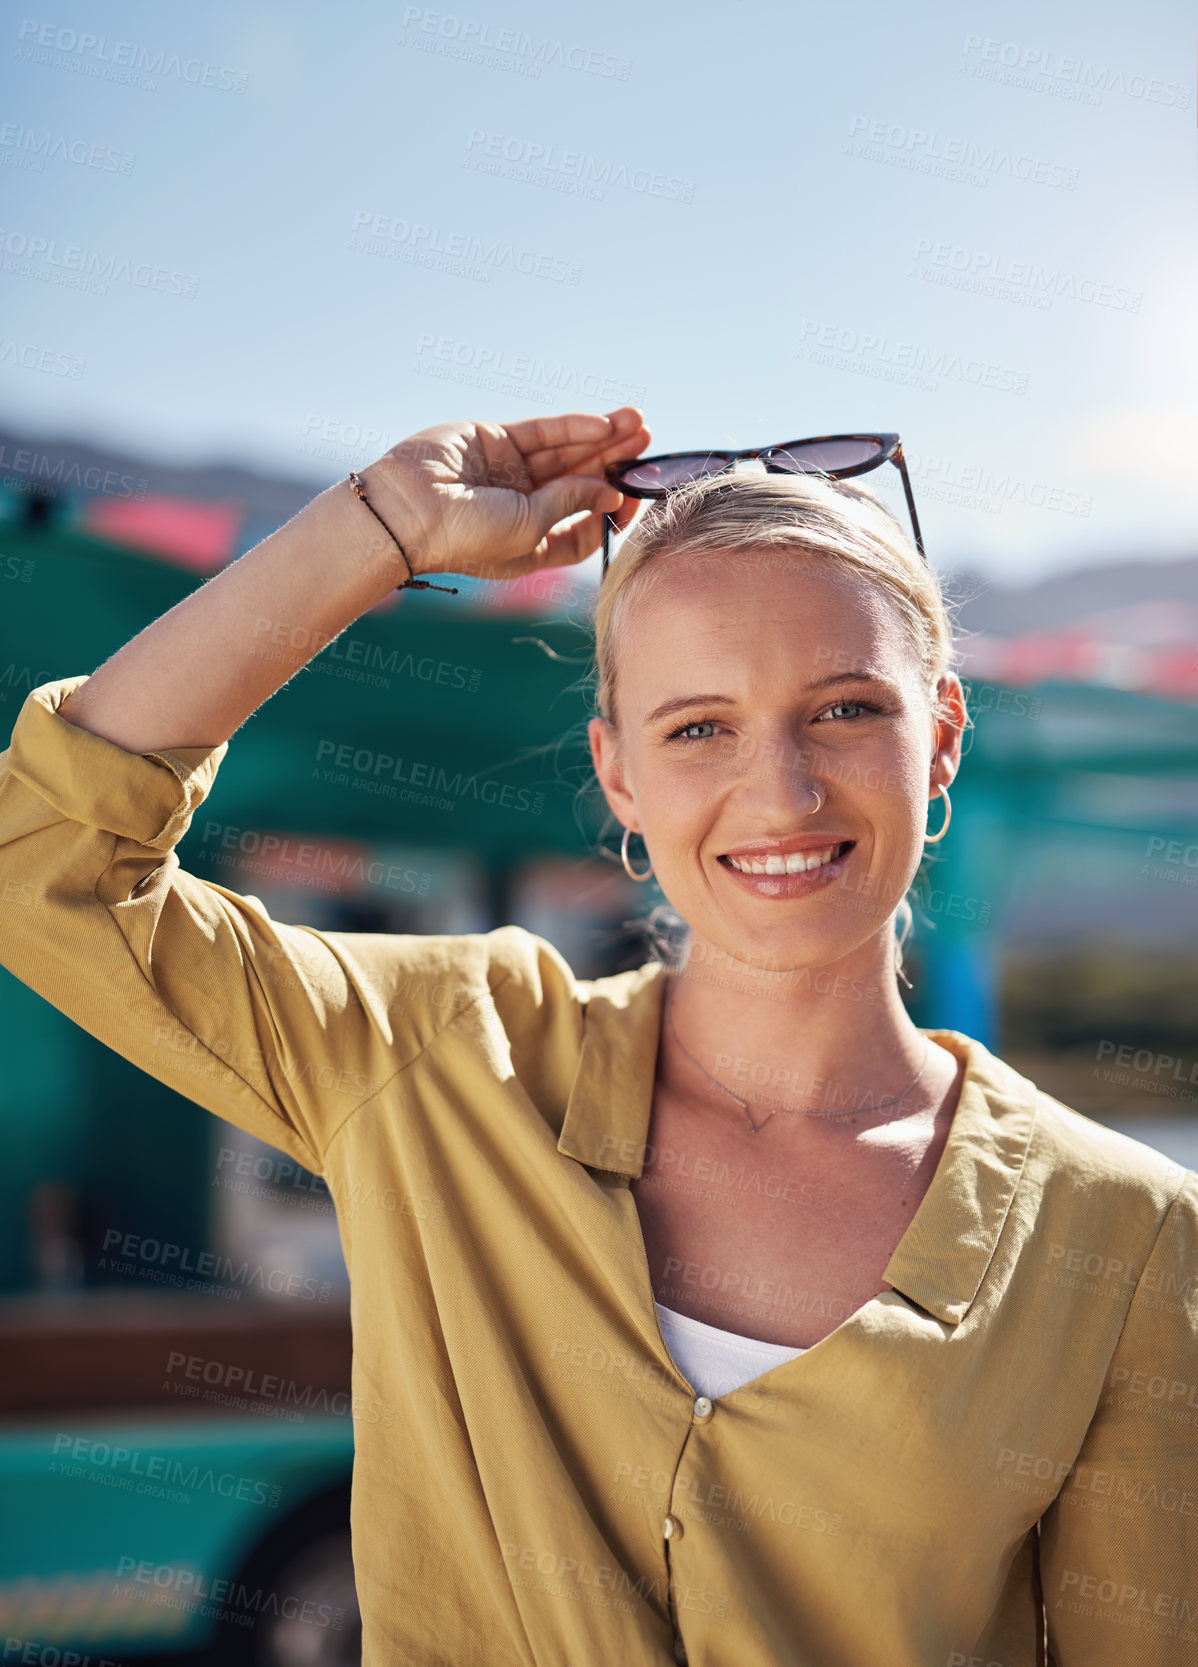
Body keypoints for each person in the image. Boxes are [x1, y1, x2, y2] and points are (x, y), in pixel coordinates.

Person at [0, 406, 1194, 1667]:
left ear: (941, 733)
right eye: (697, 727)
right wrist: (386, 529)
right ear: (616, 773)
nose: (779, 790)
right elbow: (51, 863)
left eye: (843, 711)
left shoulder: (1122, 1233)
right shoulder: (438, 1056)